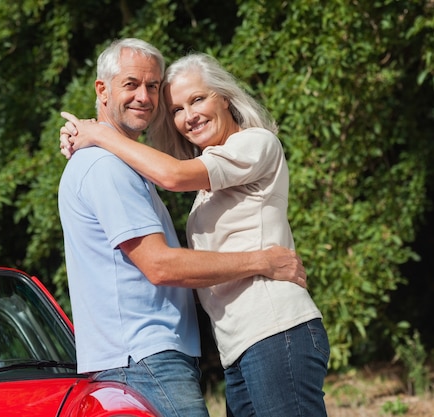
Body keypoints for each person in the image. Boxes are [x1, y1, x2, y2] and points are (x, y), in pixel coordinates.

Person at [59, 52, 330, 417]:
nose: (190, 116)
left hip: (274, 327)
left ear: (225, 97)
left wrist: (99, 134)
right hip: (236, 346)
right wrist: (90, 136)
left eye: (198, 99)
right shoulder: (208, 185)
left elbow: (171, 175)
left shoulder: (256, 144)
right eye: (177, 110)